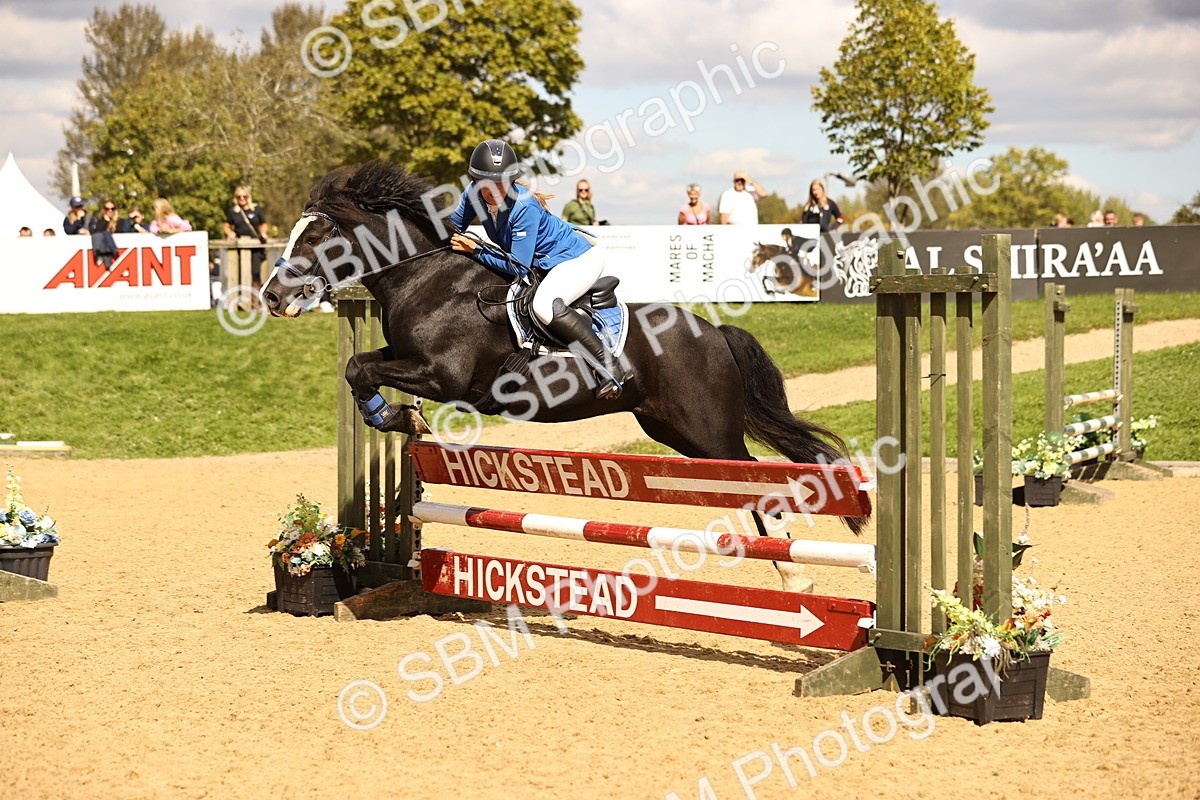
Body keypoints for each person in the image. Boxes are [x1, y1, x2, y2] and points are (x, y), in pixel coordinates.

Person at [447, 139, 630, 400]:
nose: (498, 189)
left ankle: (611, 365)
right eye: (490, 183)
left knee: (544, 306)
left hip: (577, 259)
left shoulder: (523, 206)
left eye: (504, 181)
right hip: (545, 263)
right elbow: (451, 229)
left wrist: (475, 250)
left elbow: (519, 267)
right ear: (475, 180)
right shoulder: (472, 195)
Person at [224, 186, 269, 290]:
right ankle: (241, 298)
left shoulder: (256, 209)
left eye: (244, 196)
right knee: (242, 271)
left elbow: (263, 224)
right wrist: (230, 233)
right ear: (236, 197)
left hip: (255, 245)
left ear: (248, 196)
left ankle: (255, 300)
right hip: (240, 245)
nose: (242, 198)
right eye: (239, 196)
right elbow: (226, 226)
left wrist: (263, 233)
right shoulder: (233, 211)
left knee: (256, 272)